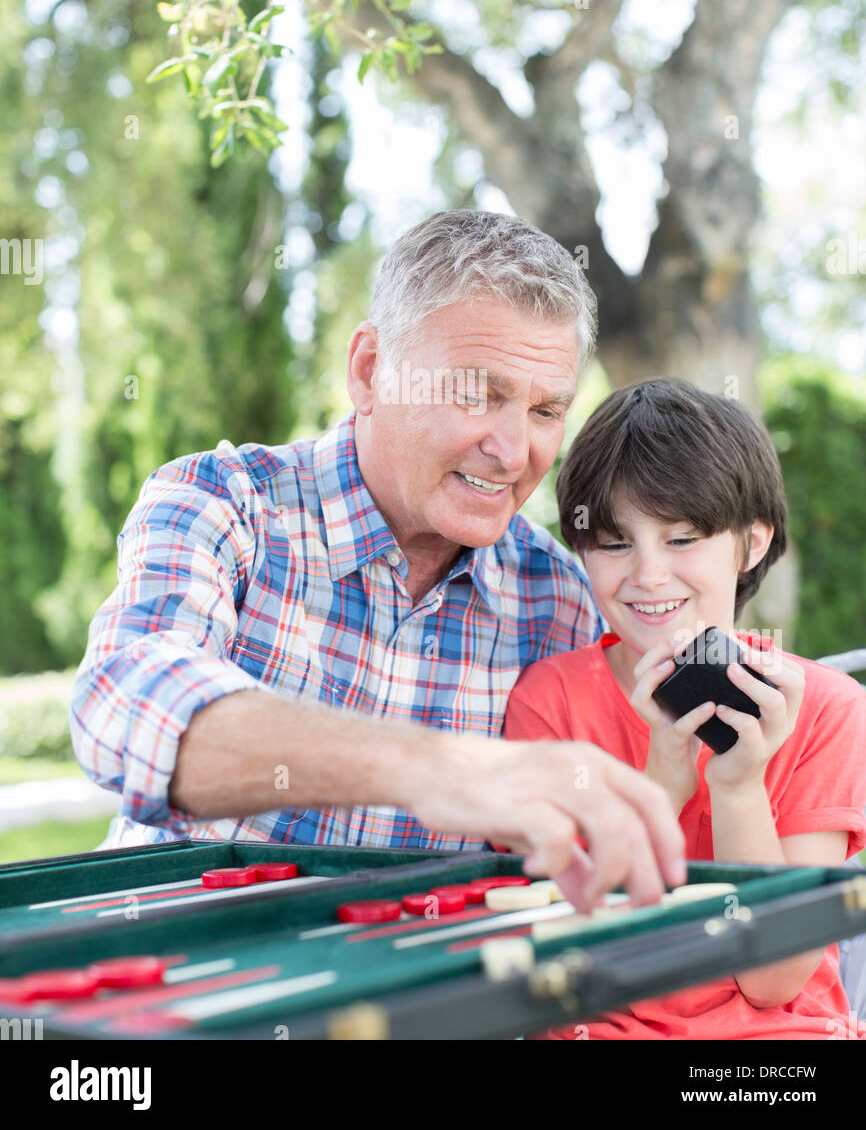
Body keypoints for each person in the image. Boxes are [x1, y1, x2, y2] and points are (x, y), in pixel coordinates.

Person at [70, 210, 686, 912]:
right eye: (475, 393)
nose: (515, 454)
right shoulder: (225, 503)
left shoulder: (559, 600)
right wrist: (441, 768)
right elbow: (123, 713)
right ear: (369, 371)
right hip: (173, 977)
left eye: (546, 411)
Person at [505, 377, 866, 1038]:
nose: (647, 576)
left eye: (682, 538)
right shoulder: (550, 701)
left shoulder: (830, 710)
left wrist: (737, 787)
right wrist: (663, 785)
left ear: (752, 543)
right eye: (616, 543)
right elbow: (563, 952)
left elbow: (773, 980)